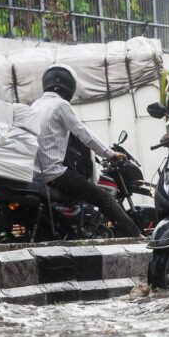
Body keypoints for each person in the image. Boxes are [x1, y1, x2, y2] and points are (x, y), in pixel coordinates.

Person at [32, 65, 142, 238]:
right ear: (69, 86)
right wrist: (110, 154)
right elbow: (84, 134)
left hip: (35, 175)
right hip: (54, 174)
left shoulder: (35, 105)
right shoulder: (60, 105)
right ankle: (137, 238)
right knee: (104, 198)